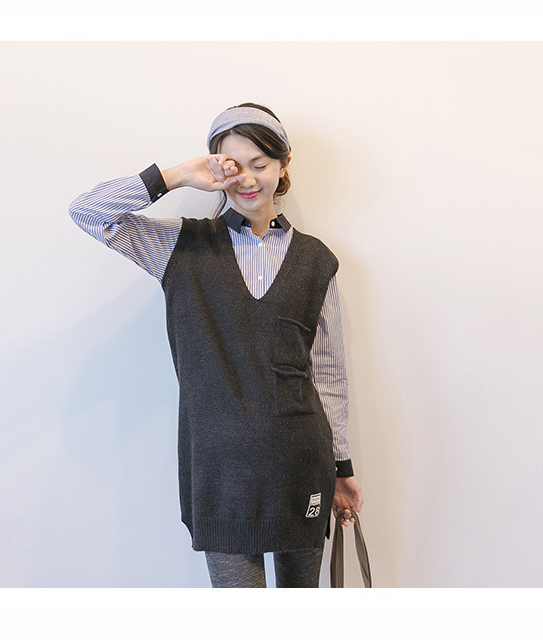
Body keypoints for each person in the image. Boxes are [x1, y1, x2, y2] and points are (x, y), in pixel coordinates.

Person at [69, 103, 363, 588]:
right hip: (220, 471)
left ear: (284, 164)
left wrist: (341, 466)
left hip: (301, 465)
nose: (246, 179)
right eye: (232, 165)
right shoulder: (180, 248)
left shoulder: (316, 260)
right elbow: (86, 211)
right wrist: (178, 175)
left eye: (259, 164)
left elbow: (328, 373)